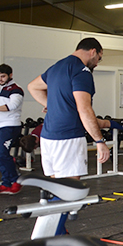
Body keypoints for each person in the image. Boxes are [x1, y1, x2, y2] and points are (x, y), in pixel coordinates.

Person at [28, 38, 110, 180]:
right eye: (99, 58)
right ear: (93, 52)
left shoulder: (56, 67)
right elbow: (84, 109)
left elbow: (33, 87)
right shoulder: (82, 71)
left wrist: (54, 105)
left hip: (47, 137)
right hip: (68, 136)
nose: (97, 63)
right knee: (71, 187)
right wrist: (99, 141)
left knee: (56, 184)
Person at [0, 64, 24, 195]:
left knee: (1, 154)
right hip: (0, 125)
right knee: (0, 155)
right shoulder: (0, 89)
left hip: (10, 126)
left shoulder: (16, 89)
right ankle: (6, 183)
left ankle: (15, 180)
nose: (0, 79)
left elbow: (12, 105)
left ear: (10, 75)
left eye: (3, 76)